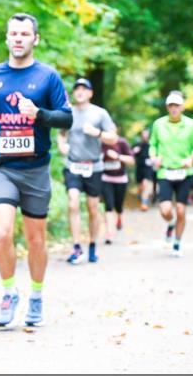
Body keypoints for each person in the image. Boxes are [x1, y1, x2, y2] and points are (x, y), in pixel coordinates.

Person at [0, 13, 72, 328]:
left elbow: (66, 119)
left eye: (24, 34)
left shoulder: (47, 77)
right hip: (0, 167)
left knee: (36, 240)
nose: (18, 38)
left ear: (35, 39)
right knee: (1, 233)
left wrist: (40, 114)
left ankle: (37, 296)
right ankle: (8, 291)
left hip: (35, 168)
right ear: (6, 38)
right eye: (13, 33)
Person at [56, 78, 117, 264]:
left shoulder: (100, 114)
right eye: (77, 89)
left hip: (94, 167)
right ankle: (76, 247)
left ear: (90, 93)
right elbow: (61, 133)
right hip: (73, 165)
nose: (80, 92)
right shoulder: (68, 113)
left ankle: (92, 245)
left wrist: (97, 133)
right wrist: (62, 146)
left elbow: (113, 138)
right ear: (74, 93)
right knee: (73, 203)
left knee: (92, 208)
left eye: (84, 89)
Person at [149, 91, 193, 257]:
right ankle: (171, 223)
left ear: (182, 107)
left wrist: (192, 158)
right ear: (167, 107)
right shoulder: (158, 124)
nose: (173, 108)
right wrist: (154, 158)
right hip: (165, 171)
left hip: (185, 172)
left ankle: (177, 243)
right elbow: (153, 145)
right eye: (170, 105)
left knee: (181, 209)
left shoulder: (192, 125)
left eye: (177, 105)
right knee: (165, 210)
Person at [101, 128, 135, 244]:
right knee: (109, 205)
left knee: (118, 205)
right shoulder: (101, 143)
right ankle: (109, 232)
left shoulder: (122, 143)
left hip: (121, 180)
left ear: (116, 130)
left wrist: (117, 157)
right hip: (106, 179)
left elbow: (131, 160)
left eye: (112, 129)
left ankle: (119, 216)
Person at [132, 128, 156, 210]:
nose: (145, 136)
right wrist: (134, 151)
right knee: (140, 187)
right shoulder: (137, 145)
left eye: (146, 134)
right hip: (139, 168)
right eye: (143, 134)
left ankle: (144, 203)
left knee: (146, 183)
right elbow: (130, 154)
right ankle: (141, 198)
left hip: (149, 168)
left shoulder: (152, 146)